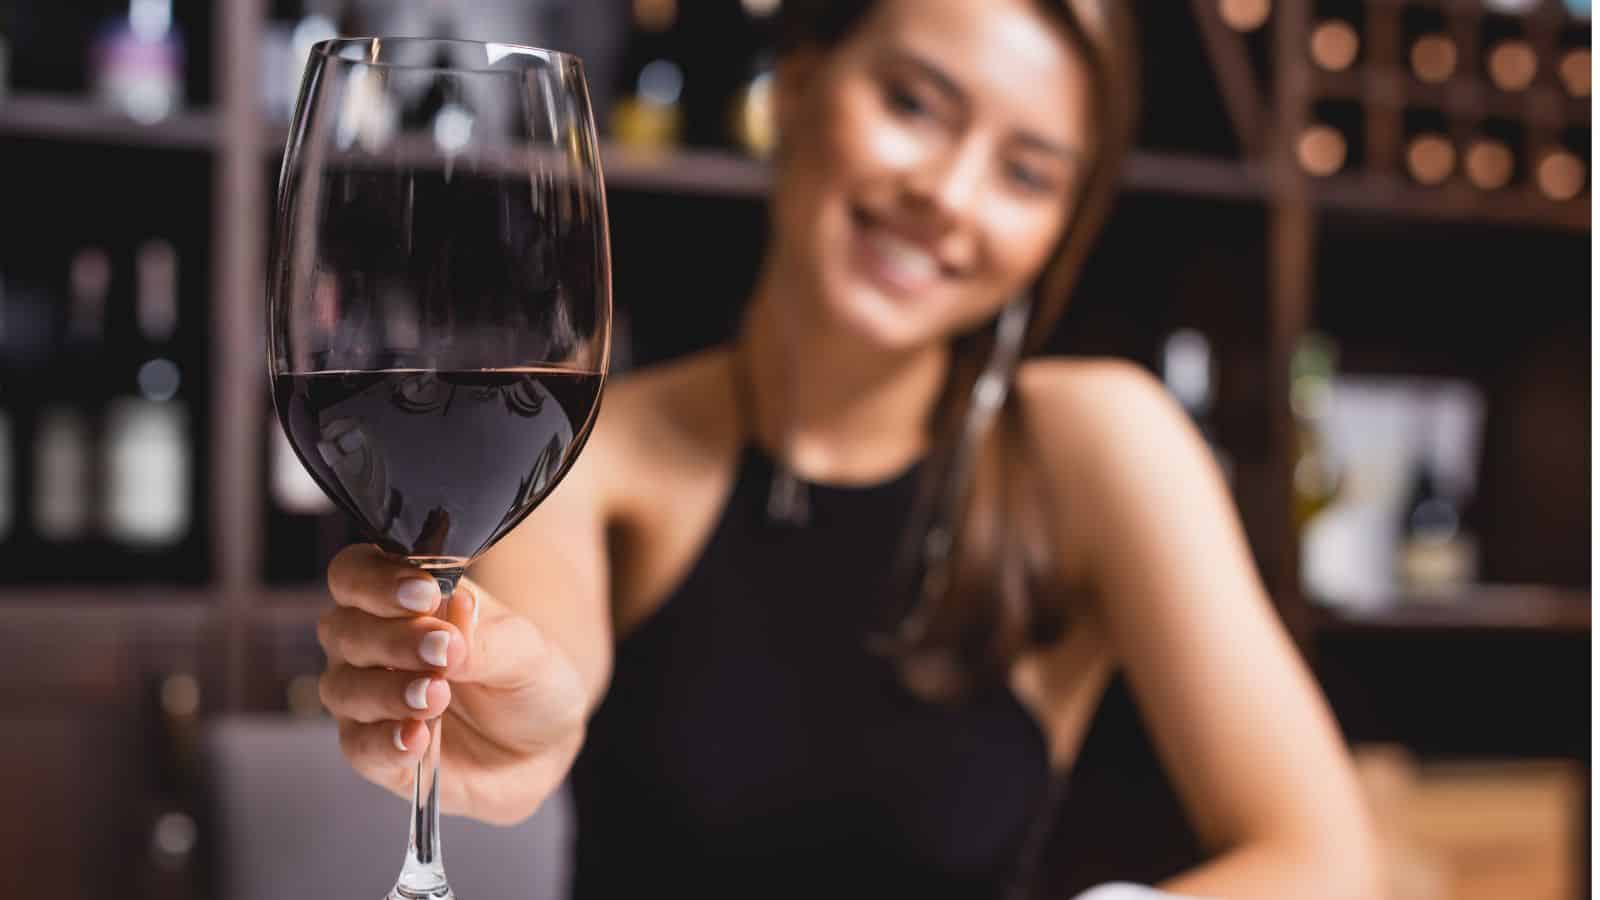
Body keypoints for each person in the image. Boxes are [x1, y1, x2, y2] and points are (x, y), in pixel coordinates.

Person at [313, 0, 1385, 897]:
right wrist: (498, 719)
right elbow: (530, 694)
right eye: (915, 104)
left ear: (1063, 227)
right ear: (799, 81)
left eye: (1026, 172)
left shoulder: (1095, 448)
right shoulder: (599, 453)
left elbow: (1326, 861)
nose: (948, 195)